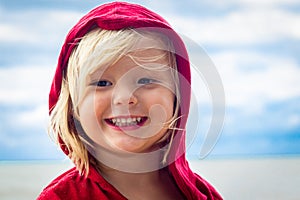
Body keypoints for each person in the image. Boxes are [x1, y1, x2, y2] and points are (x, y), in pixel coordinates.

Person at [38, 2, 222, 200]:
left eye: (145, 80)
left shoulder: (201, 194)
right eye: (102, 82)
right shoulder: (61, 197)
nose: (125, 98)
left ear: (177, 98)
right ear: (73, 106)